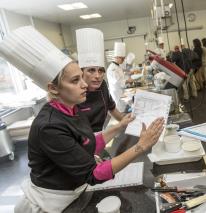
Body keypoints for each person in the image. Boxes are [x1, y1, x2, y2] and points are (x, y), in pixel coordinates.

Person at [0, 26, 164, 213]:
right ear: (53, 88)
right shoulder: (50, 126)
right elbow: (93, 174)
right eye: (75, 80)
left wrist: (120, 126)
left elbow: (89, 142)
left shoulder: (70, 109)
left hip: (76, 190)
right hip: (55, 202)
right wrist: (140, 146)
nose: (85, 84)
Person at [76, 28, 124, 132]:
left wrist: (128, 123)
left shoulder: (102, 85)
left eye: (101, 70)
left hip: (99, 135)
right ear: (81, 72)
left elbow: (112, 109)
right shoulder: (74, 93)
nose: (97, 76)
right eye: (91, 70)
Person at [106, 42, 133, 112]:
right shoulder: (112, 68)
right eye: (122, 59)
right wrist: (127, 81)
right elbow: (117, 82)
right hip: (117, 94)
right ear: (117, 57)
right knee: (120, 111)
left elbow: (122, 77)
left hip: (121, 92)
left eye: (124, 58)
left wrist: (127, 80)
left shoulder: (118, 66)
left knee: (124, 109)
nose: (123, 60)